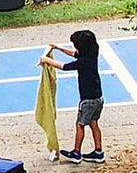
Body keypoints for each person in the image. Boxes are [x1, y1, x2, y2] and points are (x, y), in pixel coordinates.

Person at [38, 29, 105, 164]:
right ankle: (98, 152)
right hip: (98, 97)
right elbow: (74, 54)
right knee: (93, 123)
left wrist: (46, 60)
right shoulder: (92, 54)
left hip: (87, 100)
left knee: (80, 125)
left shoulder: (83, 62)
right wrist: (58, 48)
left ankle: (76, 152)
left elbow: (64, 66)